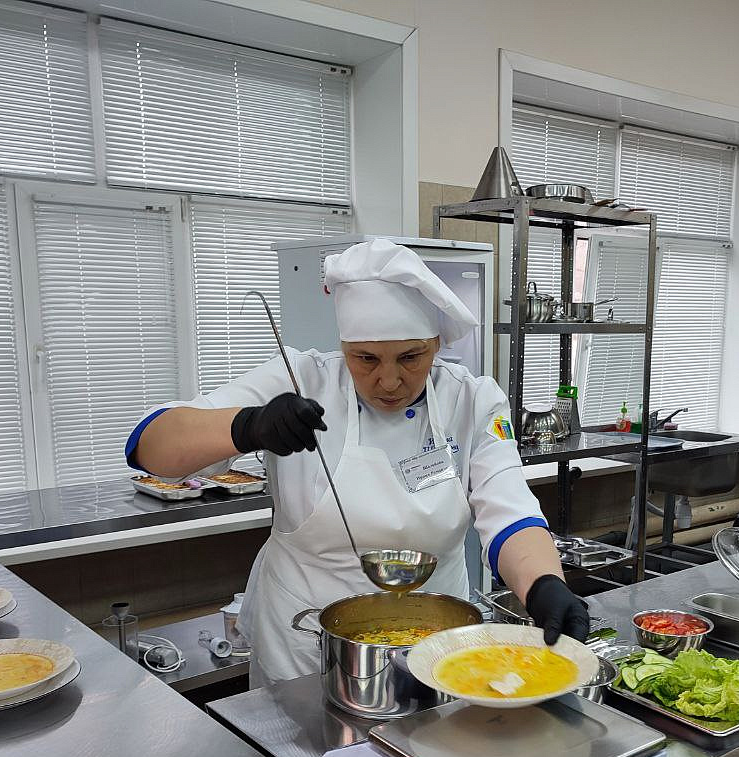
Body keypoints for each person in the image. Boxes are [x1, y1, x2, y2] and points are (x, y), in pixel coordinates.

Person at [127, 238, 589, 685]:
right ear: (343, 346)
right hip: (303, 645)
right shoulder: (301, 379)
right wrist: (247, 426)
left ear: (435, 343)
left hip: (436, 642)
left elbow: (508, 508)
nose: (388, 381)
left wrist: (543, 583)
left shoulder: (471, 399)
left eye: (411, 357)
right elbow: (149, 447)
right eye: (364, 358)